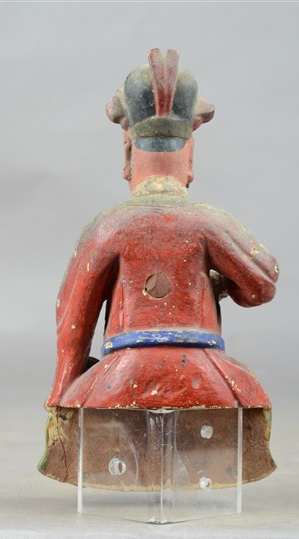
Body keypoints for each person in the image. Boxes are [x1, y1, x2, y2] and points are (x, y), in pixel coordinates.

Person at [39, 49, 279, 489]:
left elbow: (73, 318)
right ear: (190, 155)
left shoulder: (108, 228)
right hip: (209, 381)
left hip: (119, 381)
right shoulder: (209, 223)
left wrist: (62, 393)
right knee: (234, 397)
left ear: (128, 150)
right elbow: (261, 285)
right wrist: (219, 283)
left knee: (97, 405)